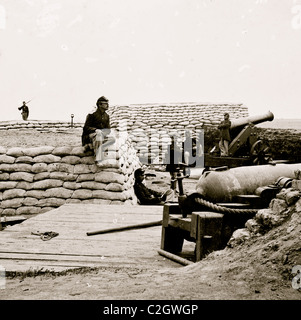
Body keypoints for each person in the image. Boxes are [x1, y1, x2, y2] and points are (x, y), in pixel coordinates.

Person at [82, 96, 115, 163]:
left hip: (101, 135)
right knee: (99, 135)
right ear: (100, 105)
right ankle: (98, 158)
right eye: (105, 103)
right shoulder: (92, 114)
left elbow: (108, 129)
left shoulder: (107, 116)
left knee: (113, 139)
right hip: (90, 135)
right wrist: (95, 130)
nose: (107, 105)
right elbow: (86, 128)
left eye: (107, 103)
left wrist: (104, 132)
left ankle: (90, 146)